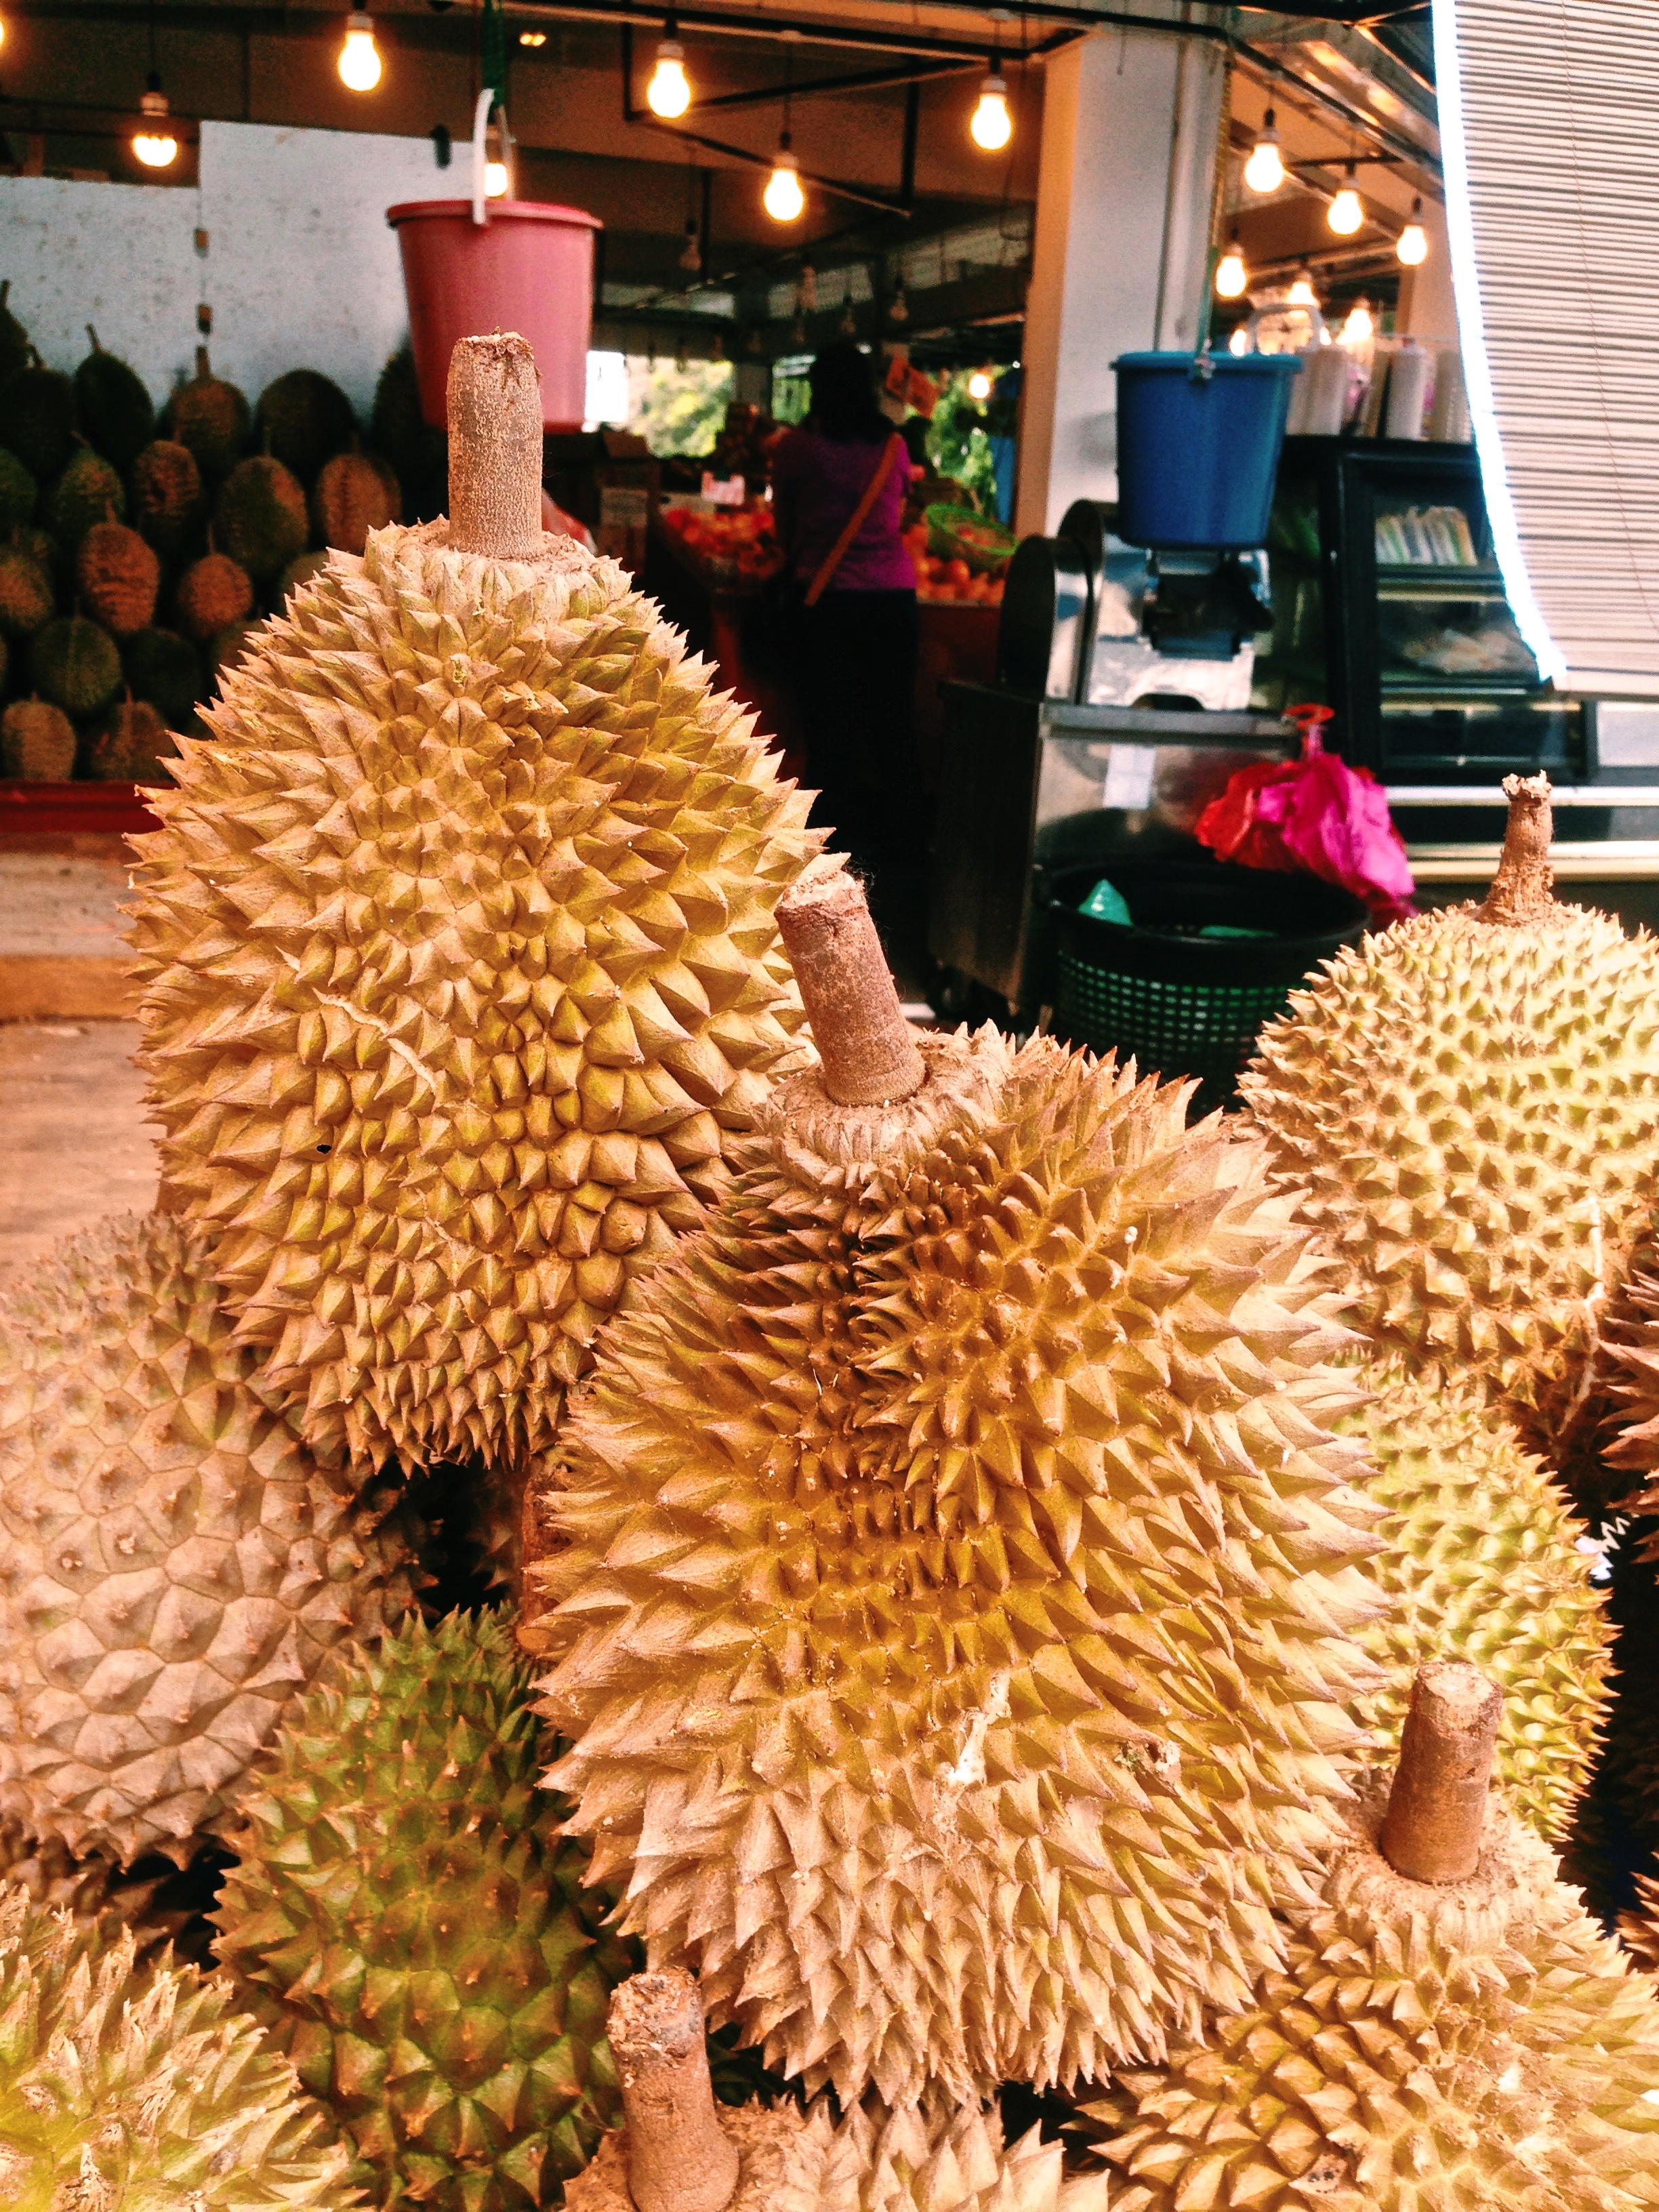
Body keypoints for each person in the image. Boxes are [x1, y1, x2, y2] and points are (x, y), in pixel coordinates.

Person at [769, 344, 922, 855]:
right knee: (893, 724)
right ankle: (904, 845)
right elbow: (896, 516)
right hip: (894, 599)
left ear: (818, 388)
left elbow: (785, 529)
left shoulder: (795, 448)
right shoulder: (894, 447)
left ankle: (824, 850)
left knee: (828, 730)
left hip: (829, 602)